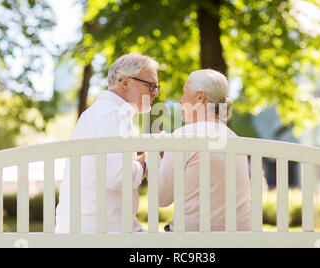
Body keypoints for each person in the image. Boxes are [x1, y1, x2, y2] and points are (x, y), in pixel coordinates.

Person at [55, 53, 160, 233]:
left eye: (157, 87)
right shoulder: (113, 115)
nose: (156, 93)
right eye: (151, 85)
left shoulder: (109, 113)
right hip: (99, 232)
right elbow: (119, 176)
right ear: (125, 82)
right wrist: (148, 157)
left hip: (95, 227)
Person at [158, 69, 251, 232]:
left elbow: (161, 198)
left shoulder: (183, 136)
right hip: (239, 240)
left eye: (184, 94)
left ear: (200, 97)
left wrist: (154, 158)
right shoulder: (236, 140)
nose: (180, 101)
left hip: (193, 245)